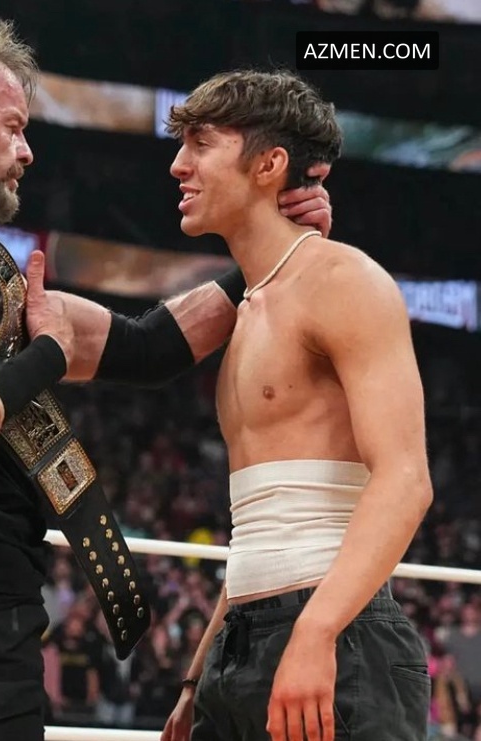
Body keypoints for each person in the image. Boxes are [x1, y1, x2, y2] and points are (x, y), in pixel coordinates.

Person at [0, 18, 333, 741]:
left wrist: (274, 253)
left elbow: (149, 348)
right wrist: (44, 356)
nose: (27, 151)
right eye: (13, 127)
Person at [26, 69, 433, 741]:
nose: (178, 165)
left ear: (268, 165)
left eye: (201, 143)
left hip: (336, 634)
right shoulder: (246, 309)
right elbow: (262, 522)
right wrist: (197, 676)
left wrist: (317, 631)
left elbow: (407, 479)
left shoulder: (345, 281)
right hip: (241, 646)